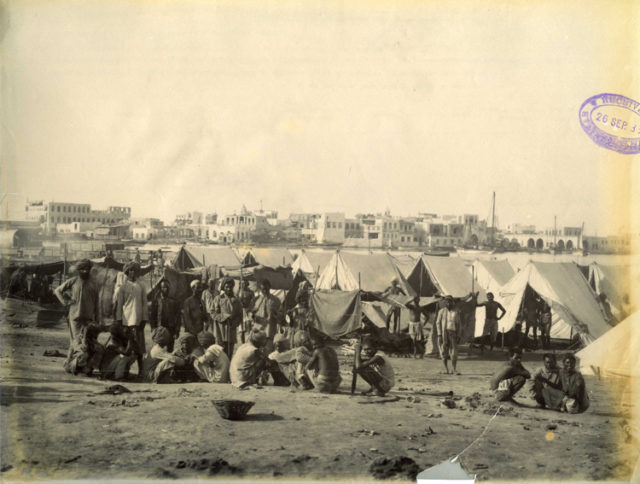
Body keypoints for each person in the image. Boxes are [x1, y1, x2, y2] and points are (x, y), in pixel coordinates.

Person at [54, 259, 100, 368]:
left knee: (87, 342)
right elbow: (57, 290)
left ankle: (81, 364)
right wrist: (65, 302)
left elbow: (97, 303)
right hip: (75, 317)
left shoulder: (94, 284)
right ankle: (70, 363)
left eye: (87, 269)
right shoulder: (73, 281)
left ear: (90, 269)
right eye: (82, 269)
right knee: (75, 341)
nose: (85, 271)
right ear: (79, 270)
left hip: (88, 318)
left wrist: (97, 319)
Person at [115, 262, 149, 378]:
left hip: (138, 320)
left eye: (134, 270)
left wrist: (144, 318)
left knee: (139, 348)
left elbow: (145, 303)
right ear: (127, 272)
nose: (132, 272)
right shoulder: (122, 287)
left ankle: (141, 371)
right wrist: (119, 319)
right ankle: (124, 370)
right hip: (126, 320)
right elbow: (119, 305)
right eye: (130, 270)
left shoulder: (141, 285)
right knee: (127, 347)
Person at [250, 279, 283, 351]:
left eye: (266, 289)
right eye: (262, 289)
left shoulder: (276, 300)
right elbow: (251, 314)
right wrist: (253, 316)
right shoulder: (256, 300)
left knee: (268, 351)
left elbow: (281, 315)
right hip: (259, 331)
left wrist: (276, 314)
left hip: (270, 331)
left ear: (269, 288)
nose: (264, 291)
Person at [213, 277, 242, 358]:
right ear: (223, 288)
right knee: (220, 353)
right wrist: (224, 317)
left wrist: (235, 323)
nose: (229, 289)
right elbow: (213, 313)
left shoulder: (236, 300)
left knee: (229, 353)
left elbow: (240, 315)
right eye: (227, 287)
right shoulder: (218, 299)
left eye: (230, 287)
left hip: (231, 329)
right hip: (220, 329)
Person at [149, 280, 181, 351]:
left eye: (167, 287)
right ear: (160, 288)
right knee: (159, 350)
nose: (165, 289)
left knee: (170, 350)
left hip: (171, 329)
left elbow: (178, 316)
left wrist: (177, 331)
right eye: (163, 287)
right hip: (159, 329)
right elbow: (152, 316)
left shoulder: (174, 301)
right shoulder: (156, 301)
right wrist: (153, 328)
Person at [436, 296, 462, 375]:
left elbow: (459, 324)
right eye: (446, 302)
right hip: (444, 333)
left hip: (452, 333)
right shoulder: (441, 311)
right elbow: (437, 323)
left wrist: (459, 335)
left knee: (453, 351)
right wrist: (439, 334)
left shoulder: (456, 312)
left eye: (449, 302)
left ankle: (454, 369)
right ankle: (445, 369)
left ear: (452, 302)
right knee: (444, 351)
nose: (448, 303)